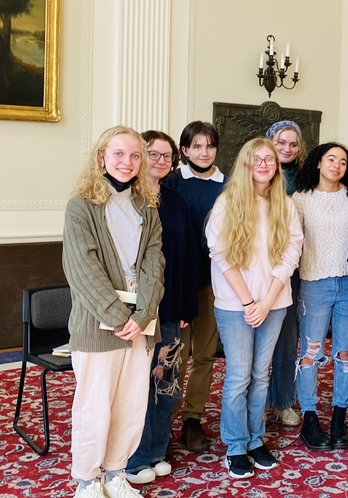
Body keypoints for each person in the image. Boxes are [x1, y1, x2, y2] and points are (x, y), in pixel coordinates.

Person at [63, 126, 165, 498]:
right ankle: (88, 481)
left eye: (135, 156)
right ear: (101, 156)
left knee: (131, 404)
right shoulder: (81, 206)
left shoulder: (146, 206)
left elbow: (155, 263)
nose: (127, 162)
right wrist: (119, 315)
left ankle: (115, 474)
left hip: (141, 321)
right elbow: (81, 268)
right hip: (98, 321)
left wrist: (143, 314)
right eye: (119, 154)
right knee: (95, 406)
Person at [205, 137, 303, 479]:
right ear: (246, 164)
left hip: (274, 304)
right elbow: (221, 255)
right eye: (257, 159)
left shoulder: (285, 205)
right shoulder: (227, 203)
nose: (264, 164)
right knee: (238, 376)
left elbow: (291, 253)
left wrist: (267, 300)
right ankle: (235, 446)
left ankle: (255, 440)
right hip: (236, 306)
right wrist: (249, 301)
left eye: (270, 160)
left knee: (261, 374)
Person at [126, 131, 199, 484]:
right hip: (136, 309)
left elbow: (187, 257)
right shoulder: (127, 199)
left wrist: (186, 306)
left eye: (167, 156)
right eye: (152, 154)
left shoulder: (175, 200)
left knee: (165, 383)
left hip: (171, 308)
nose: (160, 161)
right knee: (137, 384)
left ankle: (157, 450)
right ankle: (135, 457)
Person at [292, 142, 348, 451]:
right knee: (310, 353)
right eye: (331, 159)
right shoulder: (300, 200)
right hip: (314, 283)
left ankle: (339, 415)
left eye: (343, 162)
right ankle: (309, 416)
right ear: (318, 163)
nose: (337, 165)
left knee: (345, 352)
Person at [165, 121, 227, 452]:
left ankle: (192, 418)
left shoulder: (228, 186)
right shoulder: (172, 183)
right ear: (185, 151)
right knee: (176, 355)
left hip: (214, 283)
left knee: (204, 355)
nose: (204, 152)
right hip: (178, 284)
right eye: (196, 147)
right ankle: (165, 419)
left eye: (210, 146)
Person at [265, 120, 305, 427]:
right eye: (281, 142)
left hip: (291, 269)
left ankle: (281, 401)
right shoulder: (257, 175)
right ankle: (254, 404)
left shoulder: (306, 179)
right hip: (255, 269)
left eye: (293, 144)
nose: (287, 149)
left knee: (286, 340)